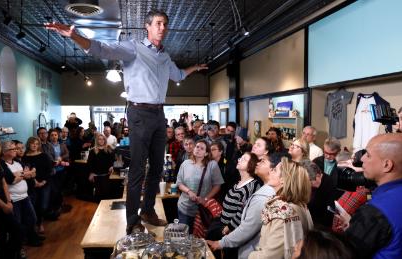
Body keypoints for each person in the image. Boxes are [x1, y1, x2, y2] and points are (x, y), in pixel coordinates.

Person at [46, 9, 207, 234]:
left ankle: (148, 210)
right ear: (147, 26)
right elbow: (101, 48)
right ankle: (132, 220)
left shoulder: (165, 56)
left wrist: (194, 69)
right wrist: (74, 35)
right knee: (138, 168)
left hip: (159, 114)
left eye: (165, 24)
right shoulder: (133, 47)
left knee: (158, 167)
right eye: (158, 23)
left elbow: (178, 75)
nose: (162, 28)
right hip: (139, 112)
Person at [336, 133, 402, 258]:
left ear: (387, 165)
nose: (362, 159)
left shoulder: (374, 212)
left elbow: (344, 255)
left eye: (368, 154)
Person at [207, 154, 281, 259]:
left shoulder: (260, 194)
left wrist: (223, 239)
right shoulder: (246, 185)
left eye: (263, 161)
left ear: (272, 170)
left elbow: (247, 227)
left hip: (243, 244)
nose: (258, 163)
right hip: (230, 233)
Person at [248, 157, 313, 259]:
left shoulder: (285, 213)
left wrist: (250, 256)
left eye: (274, 170)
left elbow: (269, 256)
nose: (270, 171)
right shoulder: (299, 205)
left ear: (283, 180)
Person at [176, 140, 223, 232]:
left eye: (202, 148)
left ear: (206, 153)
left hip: (202, 209)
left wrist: (205, 199)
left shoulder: (212, 165)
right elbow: (179, 183)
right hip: (184, 207)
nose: (198, 149)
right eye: (197, 147)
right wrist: (189, 192)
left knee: (199, 237)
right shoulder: (185, 164)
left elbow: (217, 185)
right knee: (184, 236)